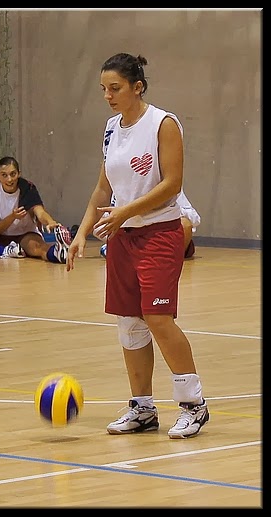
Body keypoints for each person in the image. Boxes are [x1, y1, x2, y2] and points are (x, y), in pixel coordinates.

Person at [66, 53, 209, 439]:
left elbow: (171, 185)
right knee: (129, 323)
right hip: (123, 238)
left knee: (158, 319)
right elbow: (103, 187)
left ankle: (193, 405)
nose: (108, 96)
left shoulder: (163, 123)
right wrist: (82, 232)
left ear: (137, 87)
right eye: (103, 90)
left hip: (160, 232)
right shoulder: (112, 128)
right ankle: (142, 408)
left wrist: (124, 212)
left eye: (115, 88)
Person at [99, 189, 200, 258]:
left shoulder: (164, 183)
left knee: (185, 225)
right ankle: (120, 251)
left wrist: (161, 208)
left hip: (159, 233)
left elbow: (194, 217)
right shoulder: (117, 183)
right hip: (126, 231)